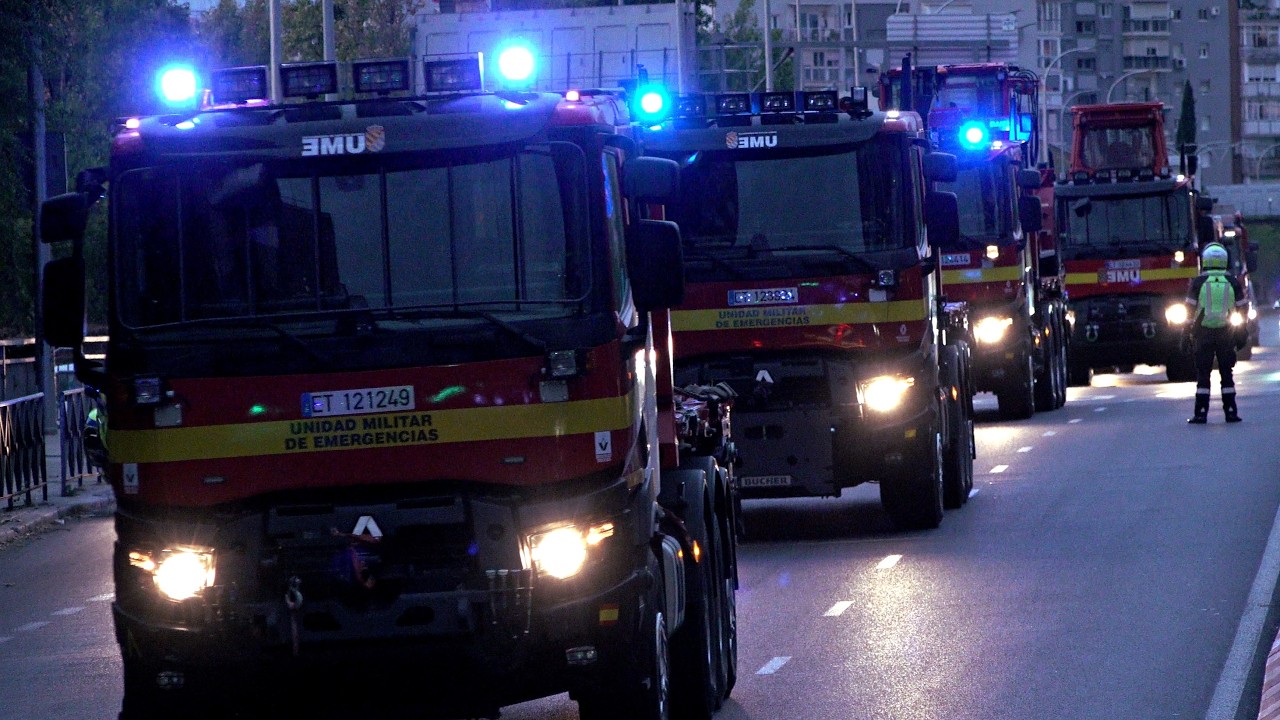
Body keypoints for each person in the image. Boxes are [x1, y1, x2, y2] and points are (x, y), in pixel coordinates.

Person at [1184, 242, 1249, 424]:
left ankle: (1201, 413)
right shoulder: (1232, 281)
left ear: (1205, 260)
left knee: (1203, 374)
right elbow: (1242, 308)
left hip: (1203, 334)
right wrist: (1241, 331)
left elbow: (1189, 310)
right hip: (1226, 334)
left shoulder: (1198, 282)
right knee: (1226, 374)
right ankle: (1230, 411)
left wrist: (1186, 333)